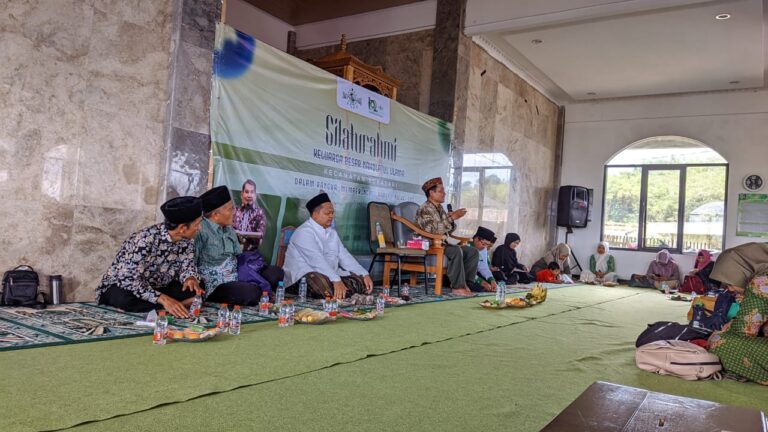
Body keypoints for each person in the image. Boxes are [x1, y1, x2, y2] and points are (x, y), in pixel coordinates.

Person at [96, 196, 204, 318]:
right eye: (197, 224)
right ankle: (170, 306)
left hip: (158, 287)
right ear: (182, 228)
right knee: (124, 299)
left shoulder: (187, 240)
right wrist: (163, 299)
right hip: (124, 286)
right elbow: (129, 280)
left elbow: (187, 265)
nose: (199, 228)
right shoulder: (144, 239)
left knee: (197, 290)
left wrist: (190, 277)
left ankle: (165, 307)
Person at [195, 186, 279, 306]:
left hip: (235, 274)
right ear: (216, 215)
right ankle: (254, 291)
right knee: (251, 292)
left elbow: (238, 257)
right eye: (230, 209)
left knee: (275, 273)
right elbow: (191, 264)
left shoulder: (229, 230)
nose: (234, 212)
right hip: (216, 284)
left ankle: (256, 289)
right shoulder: (200, 230)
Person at [283, 192, 373, 300]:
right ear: (315, 214)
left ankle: (341, 291)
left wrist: (364, 274)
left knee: (361, 280)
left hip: (331, 276)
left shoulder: (332, 233)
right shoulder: (304, 232)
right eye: (327, 213)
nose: (331, 216)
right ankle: (342, 291)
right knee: (321, 283)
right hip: (303, 277)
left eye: (332, 213)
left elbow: (344, 256)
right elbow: (316, 261)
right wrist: (335, 279)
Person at [706, 242, 768, 385]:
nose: (730, 289)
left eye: (729, 283)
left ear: (740, 271)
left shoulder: (761, 283)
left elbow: (744, 331)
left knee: (719, 342)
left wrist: (721, 332)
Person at [415, 177, 479, 296]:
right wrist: (452, 218)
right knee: (456, 250)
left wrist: (451, 219)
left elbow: (448, 230)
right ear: (431, 193)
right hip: (429, 244)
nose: (444, 194)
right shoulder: (425, 209)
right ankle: (457, 287)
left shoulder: (440, 209)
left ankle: (467, 284)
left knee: (472, 252)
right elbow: (433, 230)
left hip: (442, 243)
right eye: (441, 191)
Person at [233, 179, 266, 253]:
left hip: (250, 256)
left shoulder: (260, 213)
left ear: (255, 195)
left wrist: (244, 244)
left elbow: (260, 239)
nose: (249, 195)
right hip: (232, 252)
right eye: (246, 192)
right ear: (242, 194)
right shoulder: (235, 211)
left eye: (252, 192)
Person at [471, 226, 497, 292]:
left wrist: (492, 280)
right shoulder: (466, 247)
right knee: (479, 286)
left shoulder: (483, 249)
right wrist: (481, 281)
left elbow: (483, 267)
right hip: (463, 275)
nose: (485, 247)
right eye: (483, 244)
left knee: (489, 282)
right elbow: (465, 271)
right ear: (476, 239)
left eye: (487, 245)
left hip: (474, 274)